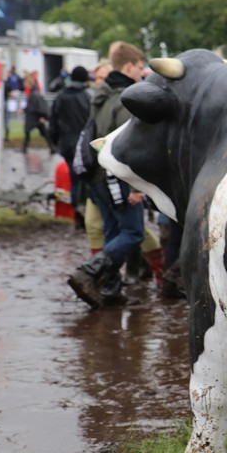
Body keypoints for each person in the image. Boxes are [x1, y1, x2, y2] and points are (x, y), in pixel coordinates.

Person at [67, 41, 148, 308]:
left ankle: (111, 290)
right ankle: (88, 271)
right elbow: (131, 144)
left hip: (96, 177)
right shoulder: (127, 97)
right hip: (119, 177)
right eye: (139, 66)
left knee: (114, 234)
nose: (141, 71)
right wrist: (137, 186)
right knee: (134, 233)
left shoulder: (99, 95)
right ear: (128, 66)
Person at [48, 66, 91, 228]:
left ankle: (77, 214)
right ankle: (84, 210)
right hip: (84, 145)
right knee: (85, 179)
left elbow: (53, 124)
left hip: (66, 145)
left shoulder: (60, 97)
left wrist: (56, 142)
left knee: (74, 179)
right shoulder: (87, 96)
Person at [22, 73, 50, 153]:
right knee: (42, 133)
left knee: (44, 133)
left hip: (35, 117)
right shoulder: (32, 93)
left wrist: (43, 116)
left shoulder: (35, 94)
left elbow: (39, 106)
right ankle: (24, 148)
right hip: (34, 117)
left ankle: (52, 147)